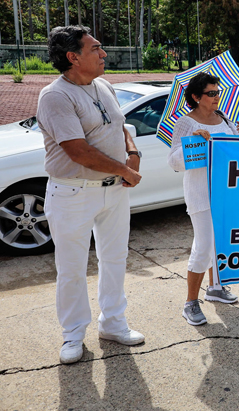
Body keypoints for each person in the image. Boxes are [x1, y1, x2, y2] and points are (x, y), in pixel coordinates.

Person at [37, 26, 145, 364]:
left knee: (115, 259)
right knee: (71, 268)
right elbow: (77, 150)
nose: (104, 54)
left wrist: (133, 151)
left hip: (113, 192)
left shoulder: (103, 85)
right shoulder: (55, 96)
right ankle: (72, 335)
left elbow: (121, 126)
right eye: (96, 49)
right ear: (73, 57)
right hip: (73, 193)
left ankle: (112, 323)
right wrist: (125, 170)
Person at [168, 72, 239, 325]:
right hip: (200, 193)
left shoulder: (224, 118)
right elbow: (174, 162)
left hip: (225, 193)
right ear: (196, 97)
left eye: (218, 92)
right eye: (211, 93)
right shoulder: (186, 123)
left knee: (219, 244)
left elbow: (236, 152)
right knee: (203, 246)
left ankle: (215, 287)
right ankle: (190, 303)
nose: (217, 97)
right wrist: (192, 143)